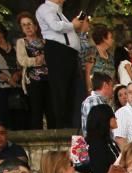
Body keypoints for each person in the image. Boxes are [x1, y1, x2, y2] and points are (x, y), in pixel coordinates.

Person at [37, 0, 83, 129]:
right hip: (58, 52)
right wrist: (72, 25)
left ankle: (68, 122)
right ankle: (62, 124)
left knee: (70, 89)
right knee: (60, 88)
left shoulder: (59, 11)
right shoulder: (46, 8)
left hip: (68, 53)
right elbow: (55, 26)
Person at [16, 11, 51, 131]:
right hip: (33, 81)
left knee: (51, 109)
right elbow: (22, 60)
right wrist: (36, 60)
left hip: (49, 79)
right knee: (36, 111)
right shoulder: (21, 42)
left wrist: (46, 59)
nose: (27, 27)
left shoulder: (44, 41)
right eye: (24, 25)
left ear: (36, 26)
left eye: (29, 24)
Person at [0, 22, 24, 131]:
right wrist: (9, 79)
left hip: (19, 87)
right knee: (5, 117)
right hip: (3, 89)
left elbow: (22, 64)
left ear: (1, 33)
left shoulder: (15, 48)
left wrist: (18, 73)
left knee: (21, 117)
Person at [81, 72, 113, 136]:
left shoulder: (102, 102)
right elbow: (95, 127)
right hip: (96, 144)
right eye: (111, 85)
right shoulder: (92, 101)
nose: (113, 89)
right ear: (105, 85)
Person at [85, 25, 115, 95]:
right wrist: (90, 92)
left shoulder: (110, 56)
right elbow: (87, 72)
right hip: (96, 94)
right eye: (111, 37)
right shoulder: (92, 52)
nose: (112, 40)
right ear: (104, 38)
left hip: (108, 95)